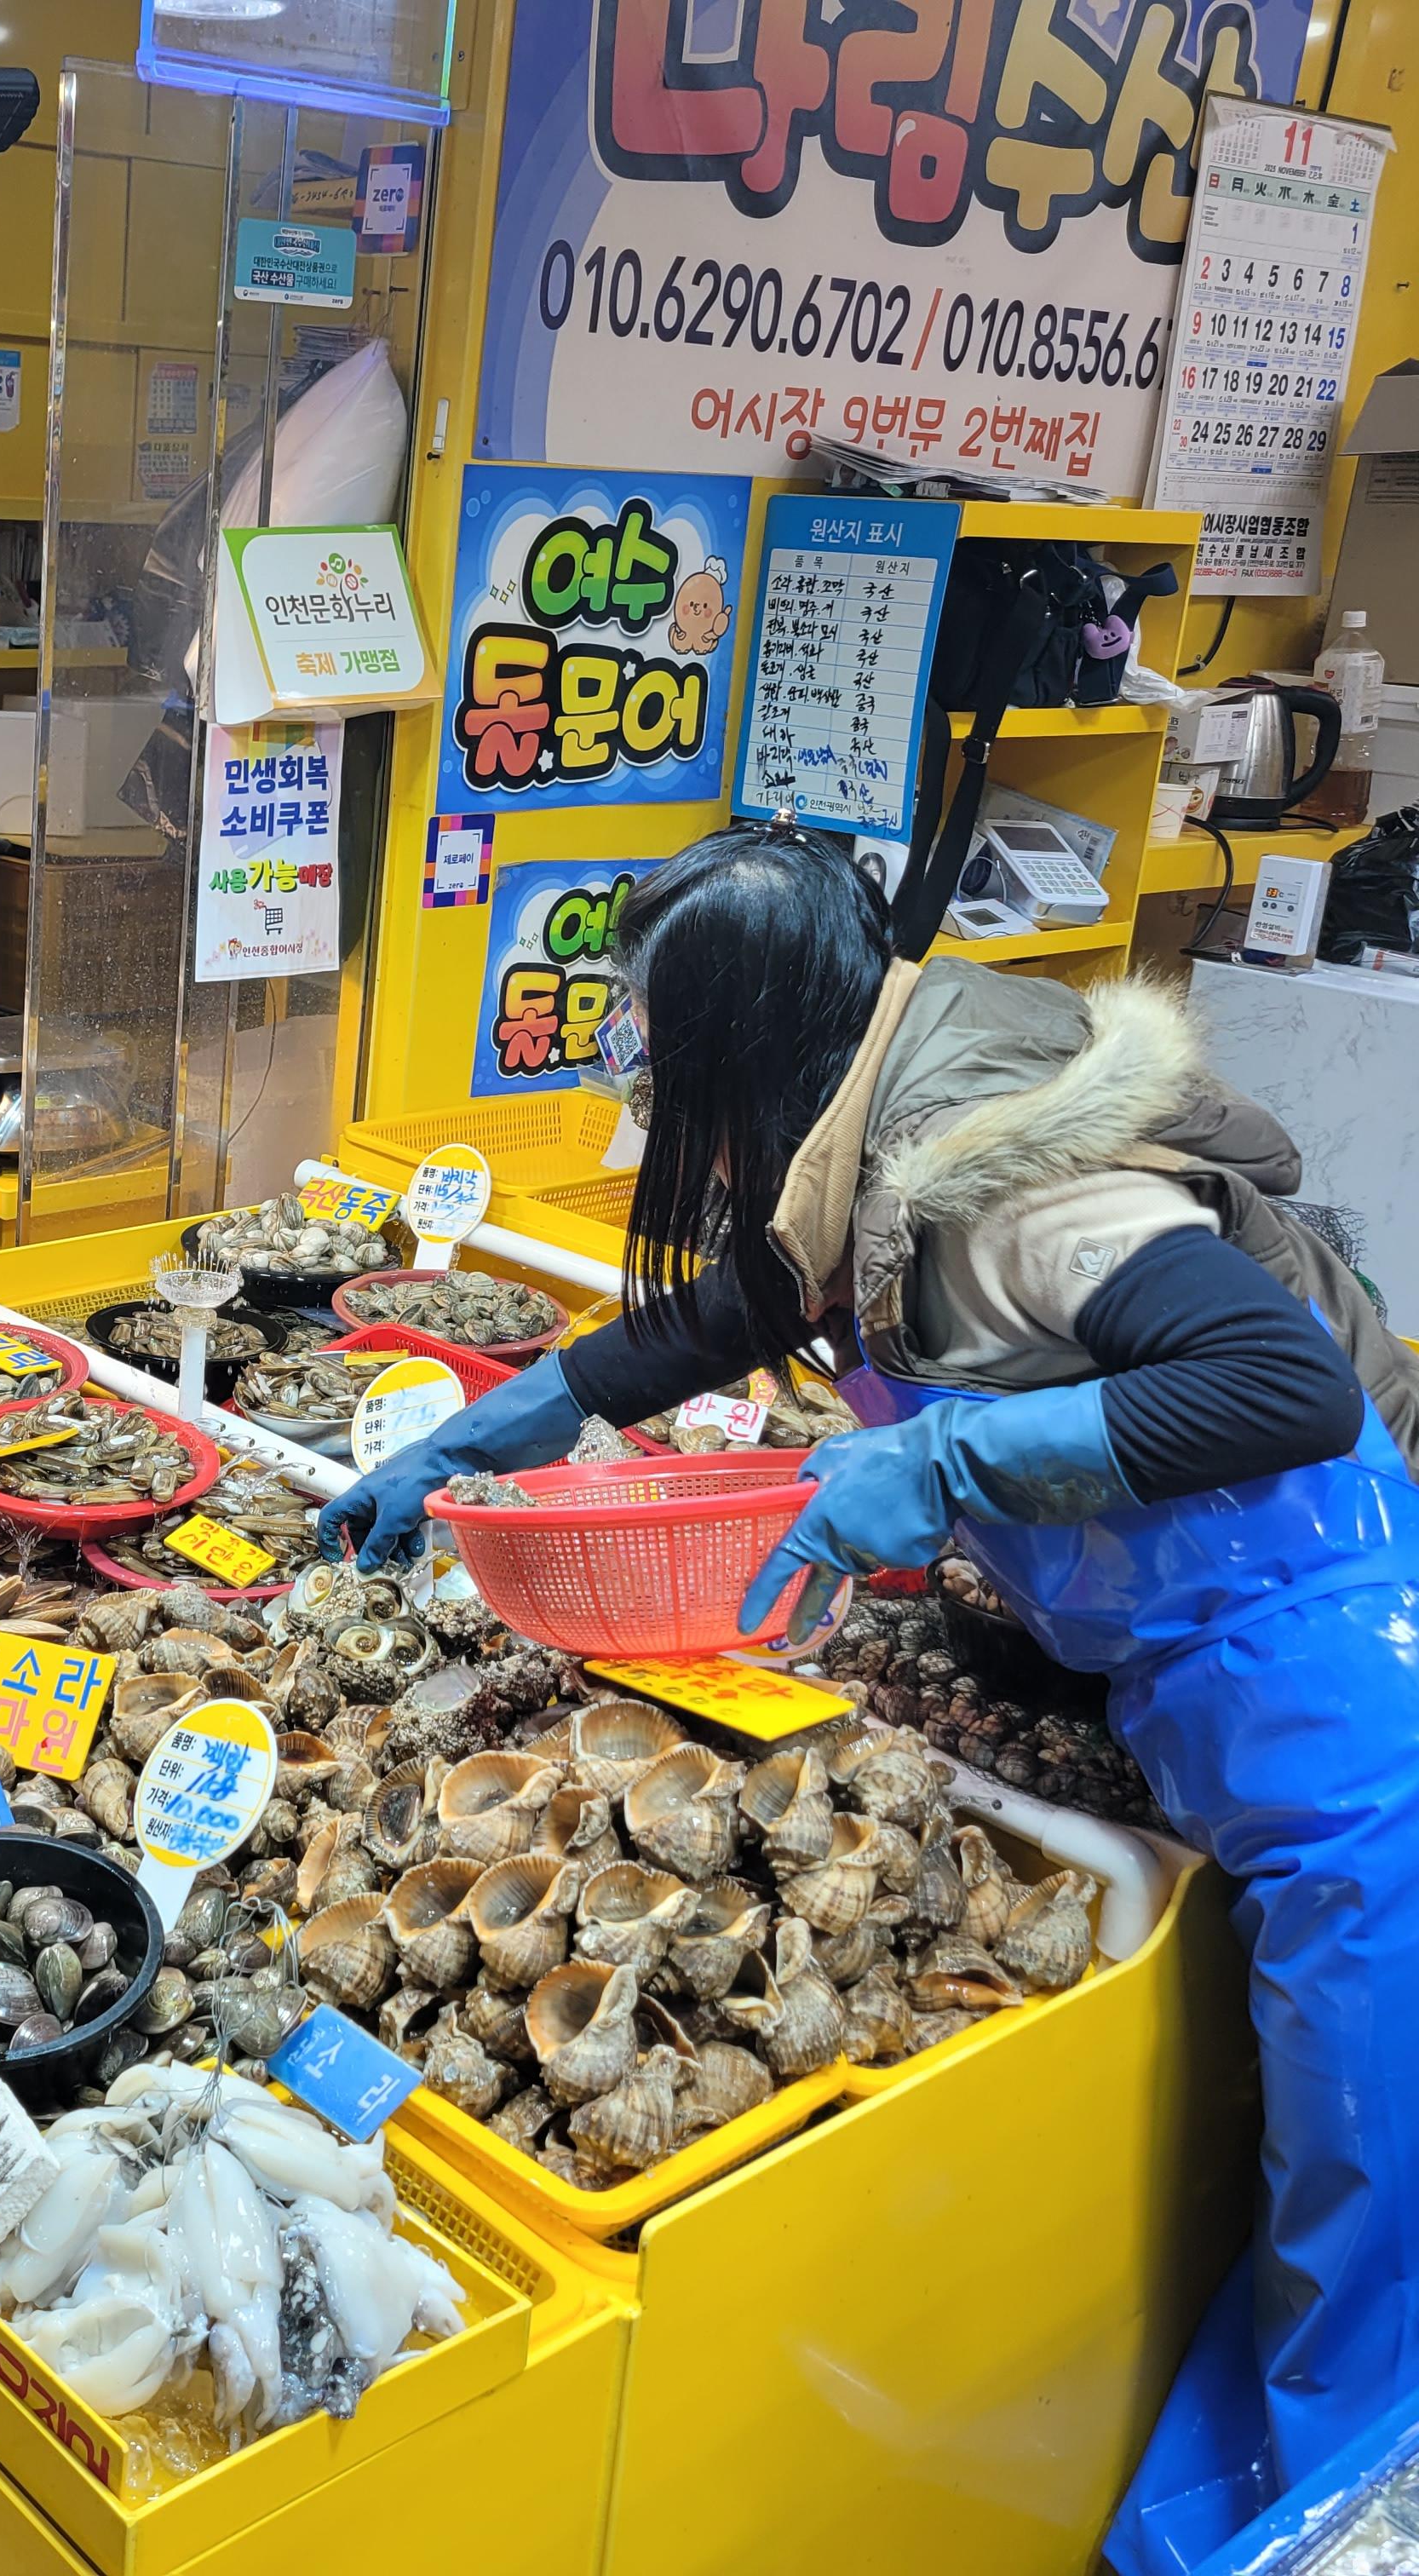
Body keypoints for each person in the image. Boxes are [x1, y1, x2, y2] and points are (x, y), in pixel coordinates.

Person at [317, 825, 1419, 2575]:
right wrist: (477, 1437)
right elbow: (741, 1304)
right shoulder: (864, 1093)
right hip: (1168, 1634)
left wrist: (952, 1460)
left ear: (745, 1044)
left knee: (1364, 2121)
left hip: (1324, 1625)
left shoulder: (1012, 1177)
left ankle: (1319, 2514)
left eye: (657, 1058)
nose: (644, 1097)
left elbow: (1275, 1383)